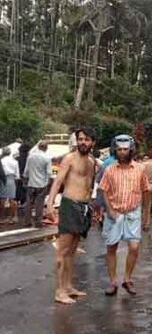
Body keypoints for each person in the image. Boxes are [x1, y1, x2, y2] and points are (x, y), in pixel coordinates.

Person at [44, 127, 97, 305]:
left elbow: (89, 186)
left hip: (83, 207)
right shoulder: (69, 158)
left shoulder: (92, 161)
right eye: (80, 139)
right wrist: (50, 204)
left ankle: (68, 286)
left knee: (72, 252)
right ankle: (59, 291)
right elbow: (58, 181)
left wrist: (91, 208)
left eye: (87, 139)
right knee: (63, 251)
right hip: (69, 205)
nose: (83, 142)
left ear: (92, 142)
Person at [98, 135, 148, 296]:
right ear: (115, 150)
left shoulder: (140, 169)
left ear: (131, 150)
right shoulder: (110, 169)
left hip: (133, 213)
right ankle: (113, 282)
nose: (122, 152)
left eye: (125, 149)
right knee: (111, 247)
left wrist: (145, 215)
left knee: (134, 247)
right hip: (114, 213)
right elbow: (103, 190)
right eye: (119, 149)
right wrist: (109, 209)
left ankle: (127, 279)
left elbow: (145, 190)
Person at [22, 141, 51, 227]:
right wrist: (48, 183)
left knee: (29, 203)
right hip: (42, 184)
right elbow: (49, 172)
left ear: (38, 147)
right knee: (40, 203)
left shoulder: (30, 156)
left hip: (31, 183)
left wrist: (25, 179)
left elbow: (26, 170)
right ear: (46, 148)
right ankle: (38, 222)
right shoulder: (47, 158)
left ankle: (27, 221)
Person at [0, 148, 18, 224]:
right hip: (12, 179)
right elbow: (17, 175)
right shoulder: (15, 161)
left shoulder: (1, 161)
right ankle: (10, 218)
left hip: (2, 179)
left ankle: (1, 218)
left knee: (2, 199)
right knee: (12, 199)